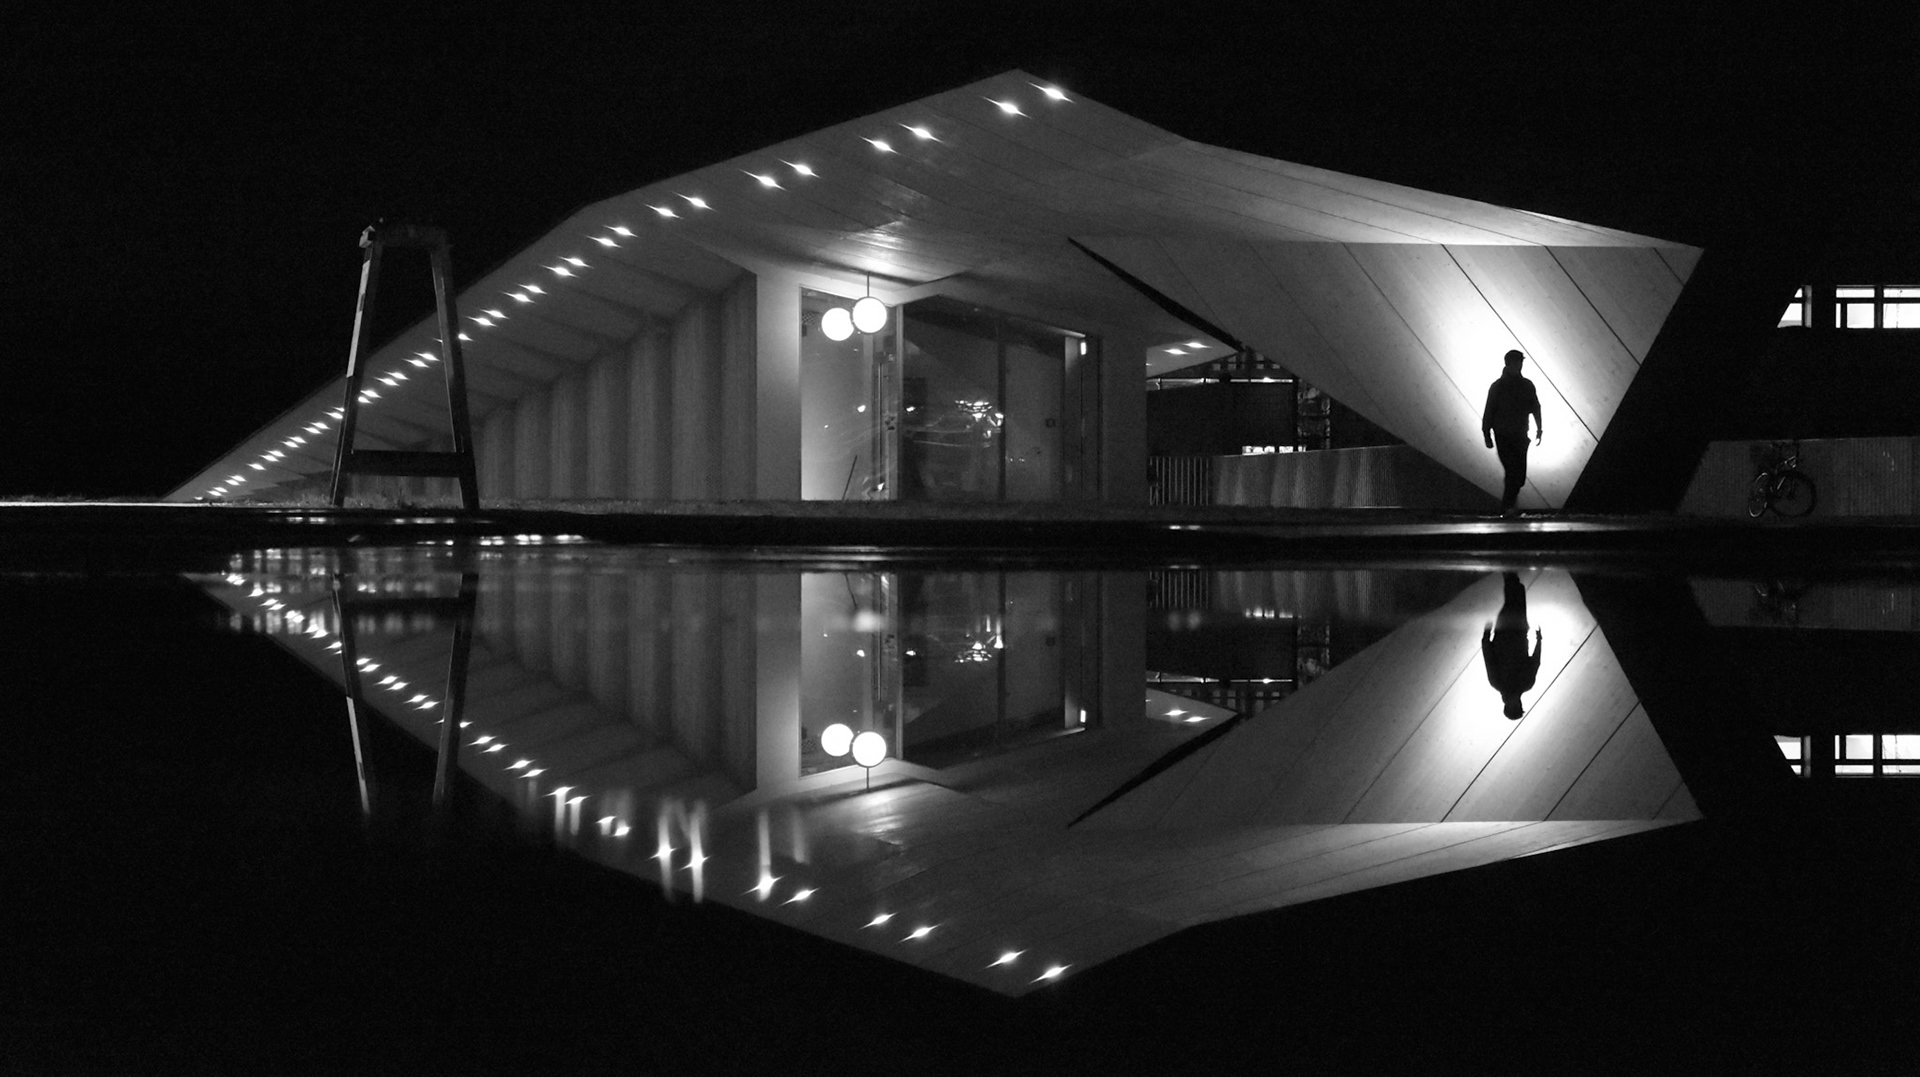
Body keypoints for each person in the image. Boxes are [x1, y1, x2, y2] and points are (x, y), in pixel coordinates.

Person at [1482, 349, 1542, 516]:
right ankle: (1507, 507)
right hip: (1504, 436)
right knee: (1513, 472)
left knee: (1518, 476)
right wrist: (1487, 434)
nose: (1519, 366)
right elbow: (1489, 410)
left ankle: (1508, 507)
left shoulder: (1525, 385)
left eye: (1520, 363)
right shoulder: (1499, 387)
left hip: (1520, 436)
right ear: (1509, 364)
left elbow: (1535, 407)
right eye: (1517, 363)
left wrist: (1539, 429)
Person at [1482, 572, 1541, 719]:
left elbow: (1535, 661)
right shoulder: (1499, 683)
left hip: (1515, 632)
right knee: (1514, 597)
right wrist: (1486, 637)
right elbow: (1535, 661)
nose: (1518, 703)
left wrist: (1539, 640)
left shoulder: (1522, 684)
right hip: (1512, 632)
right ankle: (1509, 572)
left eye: (1516, 706)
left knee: (1515, 598)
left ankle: (1509, 572)